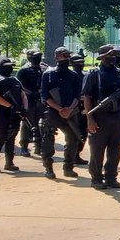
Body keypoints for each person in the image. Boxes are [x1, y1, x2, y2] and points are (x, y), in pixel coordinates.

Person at [81, 45, 120, 190]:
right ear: (101, 57)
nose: (112, 57)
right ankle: (96, 178)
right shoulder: (93, 74)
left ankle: (111, 177)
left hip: (117, 116)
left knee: (115, 149)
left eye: (113, 55)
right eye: (109, 55)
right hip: (99, 116)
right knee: (97, 150)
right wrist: (90, 119)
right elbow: (87, 97)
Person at [39, 47, 83, 179]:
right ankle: (48, 167)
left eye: (68, 56)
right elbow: (45, 95)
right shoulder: (48, 74)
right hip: (52, 111)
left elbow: (77, 94)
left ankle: (68, 167)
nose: (67, 58)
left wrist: (69, 108)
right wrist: (59, 108)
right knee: (47, 139)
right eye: (64, 56)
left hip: (71, 111)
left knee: (73, 139)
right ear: (57, 57)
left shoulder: (73, 75)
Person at [0, 58, 25, 173]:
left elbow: (22, 94)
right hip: (1, 113)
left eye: (11, 66)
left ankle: (9, 163)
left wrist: (24, 108)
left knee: (11, 137)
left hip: (15, 113)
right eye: (7, 66)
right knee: (0, 138)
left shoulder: (15, 80)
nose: (10, 68)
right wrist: (9, 106)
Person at [16, 50, 45, 157]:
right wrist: (31, 93)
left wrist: (40, 92)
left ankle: (38, 146)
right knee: (27, 123)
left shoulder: (43, 69)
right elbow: (20, 86)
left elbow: (45, 83)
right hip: (28, 100)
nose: (37, 59)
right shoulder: (23, 70)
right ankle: (24, 146)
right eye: (35, 57)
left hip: (40, 100)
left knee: (40, 124)